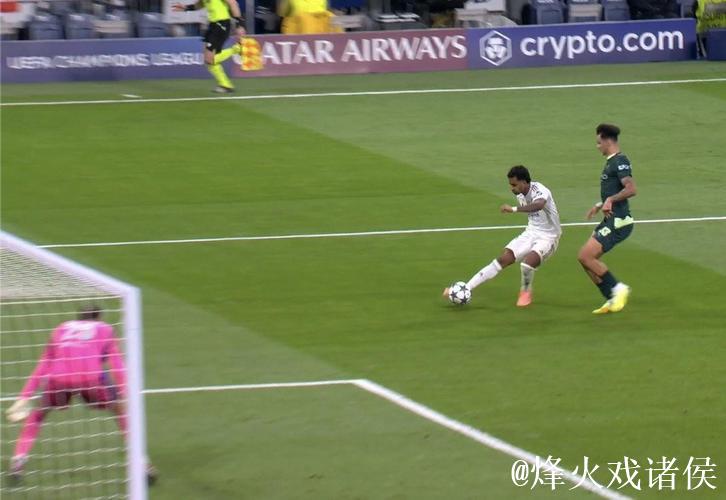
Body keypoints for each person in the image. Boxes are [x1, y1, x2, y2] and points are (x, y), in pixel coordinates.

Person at [5, 306, 157, 486]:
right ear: (98, 318)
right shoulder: (104, 329)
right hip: (91, 380)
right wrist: (126, 393)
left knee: (37, 416)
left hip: (59, 378)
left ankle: (18, 461)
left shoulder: (61, 328)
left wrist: (24, 396)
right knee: (120, 411)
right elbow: (117, 365)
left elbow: (44, 364)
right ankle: (143, 464)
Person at [443, 165, 562, 307]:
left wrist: (513, 209)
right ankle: (467, 287)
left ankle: (525, 292)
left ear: (524, 181)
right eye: (510, 185)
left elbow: (539, 205)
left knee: (527, 264)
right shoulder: (519, 193)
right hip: (531, 232)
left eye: (514, 185)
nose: (512, 188)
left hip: (548, 236)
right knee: (503, 259)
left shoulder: (540, 190)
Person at [577, 123, 638, 314]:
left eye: (598, 142)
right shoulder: (611, 162)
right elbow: (614, 189)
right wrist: (600, 203)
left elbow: (631, 189)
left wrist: (610, 200)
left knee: (586, 256)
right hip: (610, 219)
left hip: (619, 221)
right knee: (585, 259)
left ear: (607, 141)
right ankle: (611, 298)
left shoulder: (620, 161)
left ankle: (618, 288)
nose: (597, 146)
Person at [173, 0, 245, 93]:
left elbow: (232, 2)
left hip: (221, 24)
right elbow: (200, 4)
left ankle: (236, 49)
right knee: (209, 60)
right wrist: (186, 8)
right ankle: (225, 85)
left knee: (209, 59)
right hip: (213, 25)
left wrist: (240, 25)